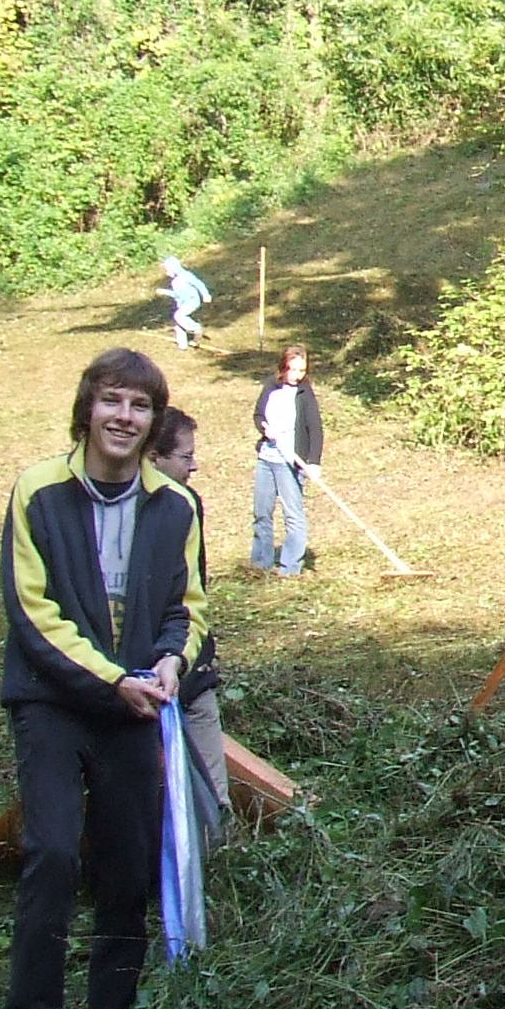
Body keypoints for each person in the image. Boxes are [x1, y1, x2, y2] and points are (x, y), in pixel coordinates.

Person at [0, 347, 206, 1009]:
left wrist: (172, 661)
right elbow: (31, 611)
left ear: (153, 422)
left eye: (140, 406)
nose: (124, 417)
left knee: (127, 869)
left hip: (135, 710)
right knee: (54, 854)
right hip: (52, 702)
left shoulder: (175, 505)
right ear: (87, 407)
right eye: (112, 400)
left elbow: (188, 607)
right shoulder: (37, 491)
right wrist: (112, 678)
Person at [149, 408, 231, 842]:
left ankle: (217, 836)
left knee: (211, 786)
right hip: (143, 669)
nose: (194, 465)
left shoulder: (187, 503)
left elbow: (192, 591)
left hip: (190, 660)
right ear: (153, 457)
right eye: (185, 456)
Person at [249, 345, 324, 577]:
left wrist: (314, 462)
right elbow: (258, 415)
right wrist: (265, 428)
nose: (297, 375)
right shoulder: (271, 386)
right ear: (283, 367)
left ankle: (290, 568)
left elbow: (315, 428)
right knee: (262, 513)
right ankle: (261, 563)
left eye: (302, 370)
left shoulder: (304, 392)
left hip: (290, 461)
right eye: (293, 370)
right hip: (267, 458)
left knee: (293, 515)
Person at [159, 256, 212, 350]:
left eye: (168, 270)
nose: (167, 273)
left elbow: (199, 284)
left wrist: (205, 295)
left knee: (178, 316)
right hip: (182, 304)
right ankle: (183, 345)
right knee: (179, 325)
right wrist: (165, 292)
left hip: (192, 301)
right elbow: (177, 295)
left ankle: (196, 328)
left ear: (174, 268)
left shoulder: (186, 275)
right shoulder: (175, 282)